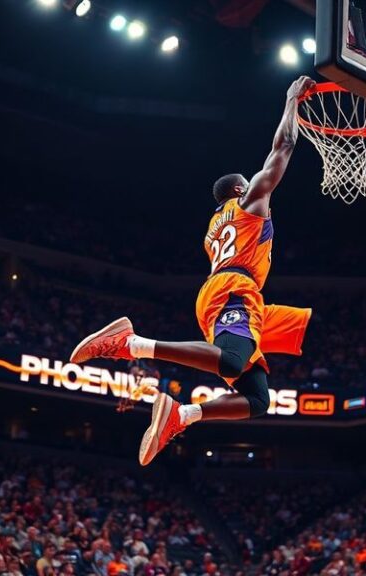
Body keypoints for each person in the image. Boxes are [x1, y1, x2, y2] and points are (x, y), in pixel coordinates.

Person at [70, 75, 317, 466]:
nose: (256, 183)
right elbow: (283, 145)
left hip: (224, 291)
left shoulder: (214, 227)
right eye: (248, 180)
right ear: (240, 189)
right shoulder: (250, 202)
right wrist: (291, 101)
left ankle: (182, 416)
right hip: (235, 289)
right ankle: (130, 344)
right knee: (233, 361)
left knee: (258, 400)